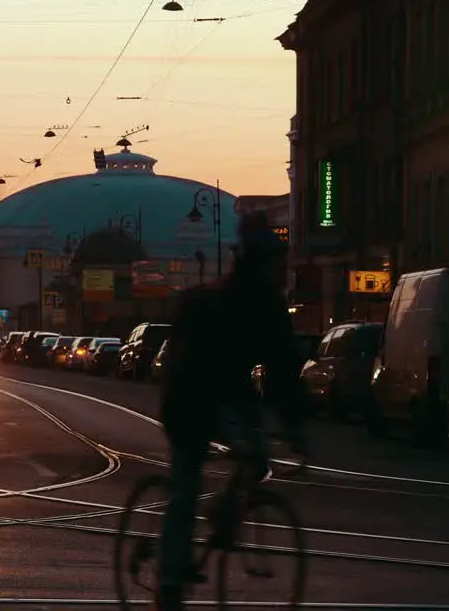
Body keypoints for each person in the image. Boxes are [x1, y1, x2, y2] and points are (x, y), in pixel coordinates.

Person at [155, 214, 310, 610]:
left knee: (256, 459)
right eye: (275, 266)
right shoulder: (219, 304)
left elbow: (282, 371)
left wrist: (294, 427)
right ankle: (170, 578)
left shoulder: (271, 308)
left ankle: (223, 511)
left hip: (230, 397)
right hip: (189, 396)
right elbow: (194, 369)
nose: (281, 273)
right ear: (258, 265)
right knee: (185, 486)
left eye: (283, 265)